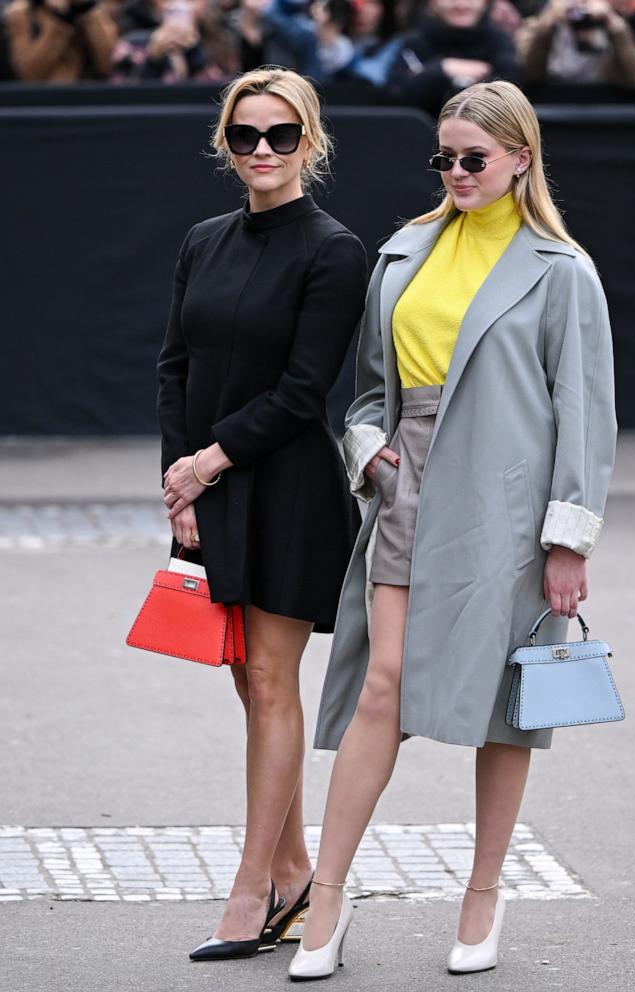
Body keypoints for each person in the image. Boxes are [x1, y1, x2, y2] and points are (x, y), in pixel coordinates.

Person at [289, 79, 617, 980]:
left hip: (507, 507)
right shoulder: (405, 251)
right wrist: (370, 455)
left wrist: (567, 540)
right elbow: (363, 391)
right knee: (381, 689)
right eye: (446, 157)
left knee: (499, 710)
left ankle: (482, 896)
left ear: (520, 157)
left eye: (476, 157)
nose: (459, 172)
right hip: (407, 484)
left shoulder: (561, 270)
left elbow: (583, 414)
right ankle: (326, 898)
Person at [157, 66, 367, 962]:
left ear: (309, 143)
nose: (262, 152)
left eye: (281, 136)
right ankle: (295, 874)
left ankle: (251, 893)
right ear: (224, 142)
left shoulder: (333, 249)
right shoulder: (204, 239)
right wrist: (181, 481)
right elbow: (174, 367)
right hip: (212, 488)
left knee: (271, 680)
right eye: (245, 136)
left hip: (286, 492)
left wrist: (209, 460)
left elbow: (303, 391)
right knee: (244, 679)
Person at [389, 0, 521, 116]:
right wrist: (442, 68)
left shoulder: (500, 42)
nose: (461, 4)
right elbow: (395, 99)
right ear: (432, 2)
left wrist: (424, 75)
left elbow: (513, 93)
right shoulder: (414, 43)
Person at [517, 0, 635, 89]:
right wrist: (547, 25)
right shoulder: (545, 22)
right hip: (555, 104)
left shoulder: (616, 24)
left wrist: (614, 26)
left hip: (603, 109)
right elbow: (530, 76)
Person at [4, 0, 116, 81]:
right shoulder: (21, 13)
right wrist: (61, 19)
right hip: (41, 99)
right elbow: (29, 75)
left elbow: (111, 67)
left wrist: (87, 11)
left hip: (90, 97)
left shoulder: (97, 10)